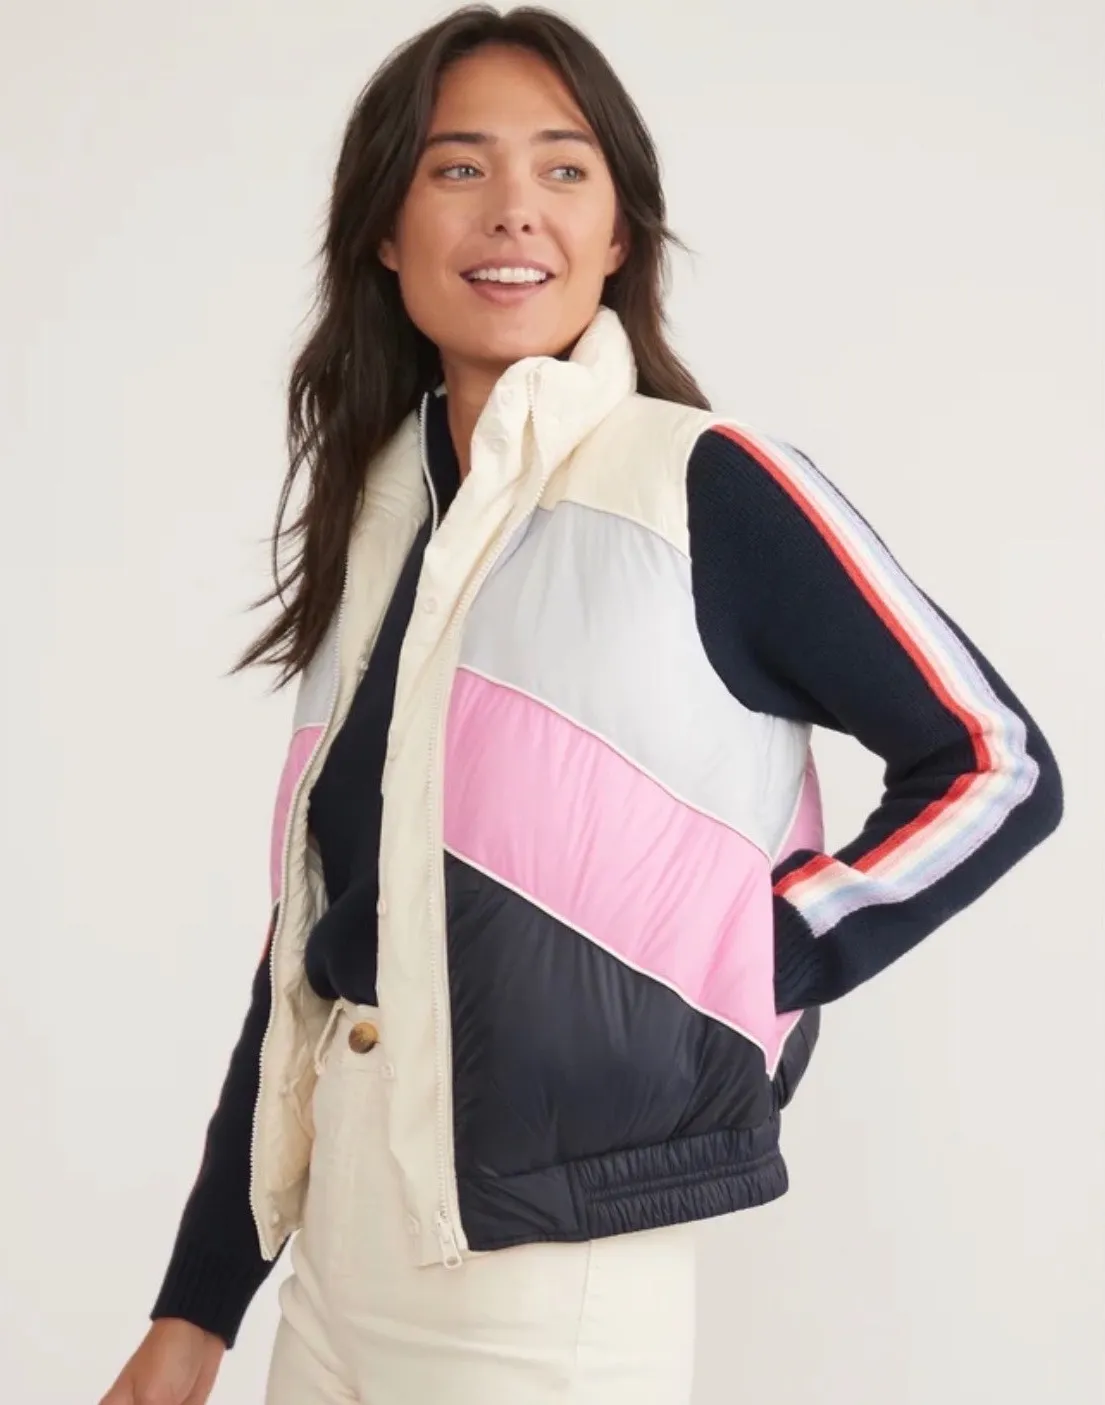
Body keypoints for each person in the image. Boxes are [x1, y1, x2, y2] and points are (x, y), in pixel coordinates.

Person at [98, 6, 1063, 1404]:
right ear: (385, 230)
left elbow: (996, 763)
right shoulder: (383, 527)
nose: (513, 209)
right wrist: (197, 1309)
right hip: (340, 1253)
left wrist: (758, 954)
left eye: (563, 168)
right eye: (457, 167)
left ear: (618, 235)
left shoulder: (701, 485)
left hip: (549, 1278)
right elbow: (317, 938)